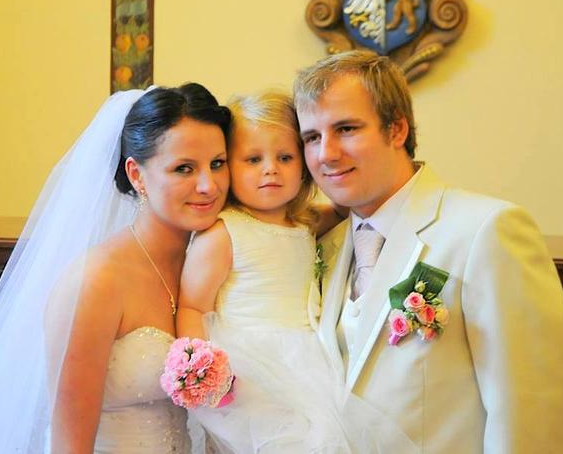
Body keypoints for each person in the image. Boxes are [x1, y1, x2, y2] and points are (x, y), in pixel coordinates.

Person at [0, 83, 232, 453]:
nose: (208, 185)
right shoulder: (96, 280)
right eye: (184, 168)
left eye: (217, 164)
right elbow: (69, 444)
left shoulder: (214, 266)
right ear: (137, 174)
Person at [294, 49, 563, 453]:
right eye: (312, 137)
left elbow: (531, 415)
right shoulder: (325, 246)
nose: (326, 154)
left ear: (396, 129)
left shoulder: (487, 231)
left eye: (347, 129)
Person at [177, 91, 416, 453]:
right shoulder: (223, 232)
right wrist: (200, 364)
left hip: (309, 358)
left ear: (303, 166)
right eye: (253, 159)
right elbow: (193, 306)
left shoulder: (306, 222)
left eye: (285, 157)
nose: (270, 168)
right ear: (228, 166)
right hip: (249, 364)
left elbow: (347, 207)